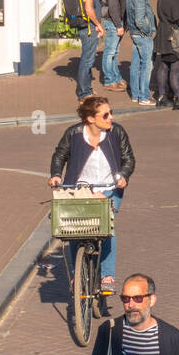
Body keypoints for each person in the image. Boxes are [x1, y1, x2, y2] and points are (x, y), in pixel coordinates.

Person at [49, 94, 133, 296]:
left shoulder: (117, 132)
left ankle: (107, 275)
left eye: (111, 113)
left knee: (106, 225)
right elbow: (59, 155)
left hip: (109, 188)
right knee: (75, 228)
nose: (111, 117)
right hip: (79, 189)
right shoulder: (74, 134)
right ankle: (76, 274)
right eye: (105, 115)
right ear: (91, 119)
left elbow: (129, 158)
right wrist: (56, 175)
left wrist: (123, 175)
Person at [75, 0, 105, 101]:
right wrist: (98, 25)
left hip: (84, 25)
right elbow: (89, 8)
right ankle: (84, 93)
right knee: (87, 60)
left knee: (87, 58)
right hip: (89, 27)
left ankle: (87, 90)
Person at [126, 0, 156, 106]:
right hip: (142, 34)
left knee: (135, 64)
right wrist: (149, 30)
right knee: (146, 65)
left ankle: (135, 94)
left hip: (134, 33)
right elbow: (139, 19)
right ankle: (144, 96)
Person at [98, 0, 128, 91]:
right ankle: (109, 80)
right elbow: (113, 6)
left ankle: (116, 77)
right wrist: (118, 25)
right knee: (110, 52)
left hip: (116, 22)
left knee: (114, 52)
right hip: (112, 22)